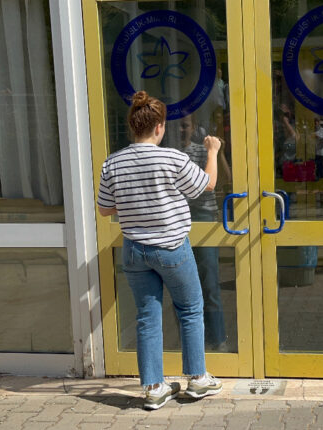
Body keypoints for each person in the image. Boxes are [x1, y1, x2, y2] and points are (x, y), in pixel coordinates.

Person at [97, 91, 223, 410]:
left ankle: (154, 387)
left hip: (134, 250)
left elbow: (105, 209)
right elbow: (207, 185)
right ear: (159, 127)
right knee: (190, 308)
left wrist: (135, 201)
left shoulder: (113, 162)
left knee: (146, 315)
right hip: (171, 247)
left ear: (133, 126)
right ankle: (197, 379)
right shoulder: (172, 158)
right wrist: (212, 150)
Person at [179, 114, 229, 351]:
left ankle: (217, 340)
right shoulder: (169, 154)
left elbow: (224, 180)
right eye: (177, 126)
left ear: (194, 127)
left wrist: (218, 154)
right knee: (182, 287)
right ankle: (189, 345)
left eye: (185, 125)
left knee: (209, 283)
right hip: (177, 221)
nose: (181, 130)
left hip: (203, 219)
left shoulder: (203, 151)